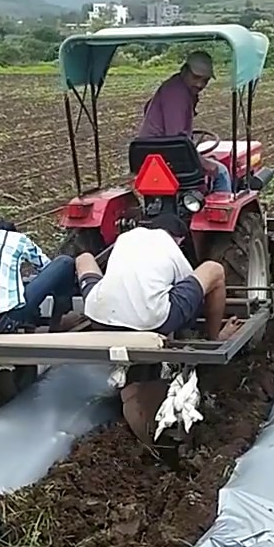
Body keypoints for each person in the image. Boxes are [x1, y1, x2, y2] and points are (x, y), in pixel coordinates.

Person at [74, 214, 240, 341]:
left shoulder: (125, 237)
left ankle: (60, 315)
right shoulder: (170, 245)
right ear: (179, 239)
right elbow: (190, 288)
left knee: (84, 259)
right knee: (215, 270)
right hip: (151, 323)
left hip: (98, 317)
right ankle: (215, 338)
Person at [136, 51, 233, 195]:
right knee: (221, 172)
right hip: (167, 157)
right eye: (196, 77)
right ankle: (220, 213)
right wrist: (203, 162)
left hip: (151, 153)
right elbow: (177, 140)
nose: (200, 84)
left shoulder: (172, 86)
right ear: (185, 70)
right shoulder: (178, 95)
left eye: (205, 80)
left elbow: (147, 108)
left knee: (206, 162)